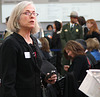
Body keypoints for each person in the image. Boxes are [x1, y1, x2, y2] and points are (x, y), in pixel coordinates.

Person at [0, 1, 57, 97]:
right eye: (27, 13)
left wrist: (45, 77)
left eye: (34, 13)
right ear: (17, 18)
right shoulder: (11, 43)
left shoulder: (33, 40)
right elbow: (7, 82)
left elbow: (33, 71)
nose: (32, 16)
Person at [60, 11, 83, 75]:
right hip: (66, 49)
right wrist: (66, 47)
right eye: (74, 18)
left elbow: (81, 38)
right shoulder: (65, 27)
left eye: (76, 18)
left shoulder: (79, 27)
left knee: (75, 64)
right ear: (71, 18)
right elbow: (62, 37)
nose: (76, 19)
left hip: (75, 50)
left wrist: (74, 47)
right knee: (65, 63)